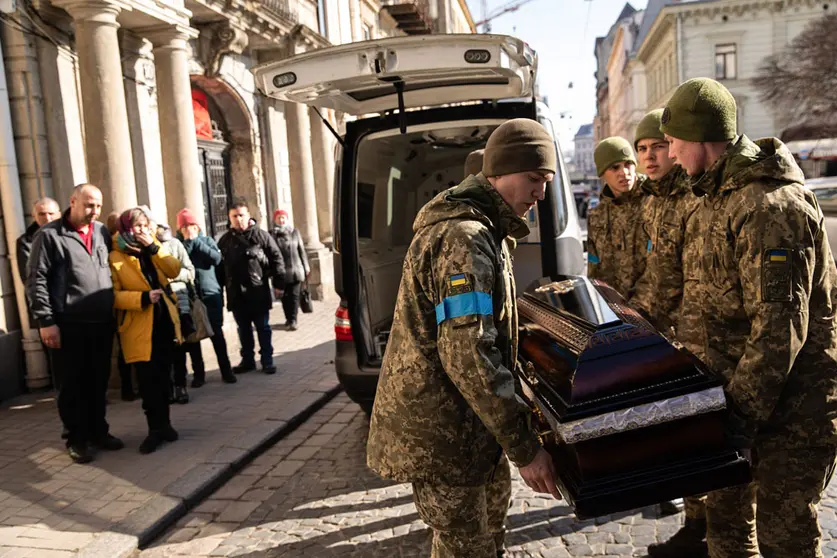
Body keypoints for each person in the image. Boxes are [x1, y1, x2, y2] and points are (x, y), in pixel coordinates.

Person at [367, 119, 562, 558]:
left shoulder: (486, 231)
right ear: (499, 172)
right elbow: (468, 355)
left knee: (488, 540)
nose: (541, 193)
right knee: (466, 548)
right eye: (534, 179)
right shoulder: (464, 237)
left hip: (474, 430)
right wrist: (525, 448)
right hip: (447, 439)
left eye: (546, 181)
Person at [661, 77, 837, 558]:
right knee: (727, 530)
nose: (671, 154)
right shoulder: (712, 199)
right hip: (731, 405)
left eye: (674, 142)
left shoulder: (767, 207)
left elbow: (779, 330)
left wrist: (736, 421)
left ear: (701, 138)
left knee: (787, 541)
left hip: (788, 415)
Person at [26, 184, 124, 464]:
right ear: (73, 202)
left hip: (101, 322)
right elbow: (37, 280)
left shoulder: (101, 232)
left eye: (98, 206)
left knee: (97, 381)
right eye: (89, 205)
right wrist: (46, 321)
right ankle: (76, 438)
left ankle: (98, 432)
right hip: (68, 324)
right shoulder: (49, 235)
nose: (94, 211)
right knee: (72, 385)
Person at [110, 207, 183, 454]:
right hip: (139, 327)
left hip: (163, 322)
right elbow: (113, 296)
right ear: (125, 229)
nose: (141, 230)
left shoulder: (153, 248)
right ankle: (154, 429)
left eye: (144, 225)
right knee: (148, 382)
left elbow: (174, 269)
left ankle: (166, 425)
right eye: (136, 227)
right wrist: (141, 298)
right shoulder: (116, 257)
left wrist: (153, 248)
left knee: (165, 378)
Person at [218, 201, 284, 375]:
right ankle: (248, 360)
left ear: (248, 215)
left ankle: (267, 360)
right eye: (234, 216)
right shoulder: (225, 240)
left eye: (241, 215)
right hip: (236, 293)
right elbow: (219, 267)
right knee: (243, 329)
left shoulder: (261, 236)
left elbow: (277, 258)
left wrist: (279, 283)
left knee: (262, 327)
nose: (238, 219)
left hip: (258, 290)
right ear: (229, 218)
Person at [176, 209, 237, 385]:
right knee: (193, 338)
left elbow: (216, 259)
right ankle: (198, 374)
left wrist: (197, 243)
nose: (189, 228)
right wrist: (188, 243)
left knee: (216, 334)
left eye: (192, 225)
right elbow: (179, 263)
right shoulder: (178, 245)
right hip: (191, 296)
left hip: (211, 293)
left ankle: (226, 371)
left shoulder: (207, 241)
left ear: (197, 226)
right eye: (185, 226)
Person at [586, 137, 647, 299]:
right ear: (602, 173)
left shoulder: (655, 201)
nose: (624, 172)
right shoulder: (596, 216)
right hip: (613, 307)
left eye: (628, 164)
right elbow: (594, 266)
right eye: (615, 167)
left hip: (653, 309)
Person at [156, 222, 196, 404]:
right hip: (158, 304)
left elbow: (189, 271)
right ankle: (168, 387)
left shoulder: (175, 245)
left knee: (179, 347)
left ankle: (180, 385)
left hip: (179, 302)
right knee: (163, 350)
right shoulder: (146, 248)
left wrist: (171, 275)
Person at [270, 209, 309, 331]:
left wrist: (306, 266)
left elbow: (301, 250)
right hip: (281, 272)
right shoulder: (272, 235)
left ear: (287, 219)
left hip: (296, 270)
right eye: (279, 218)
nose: (281, 220)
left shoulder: (294, 232)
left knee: (294, 296)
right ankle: (288, 318)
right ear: (275, 220)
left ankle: (293, 320)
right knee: (284, 297)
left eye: (283, 218)